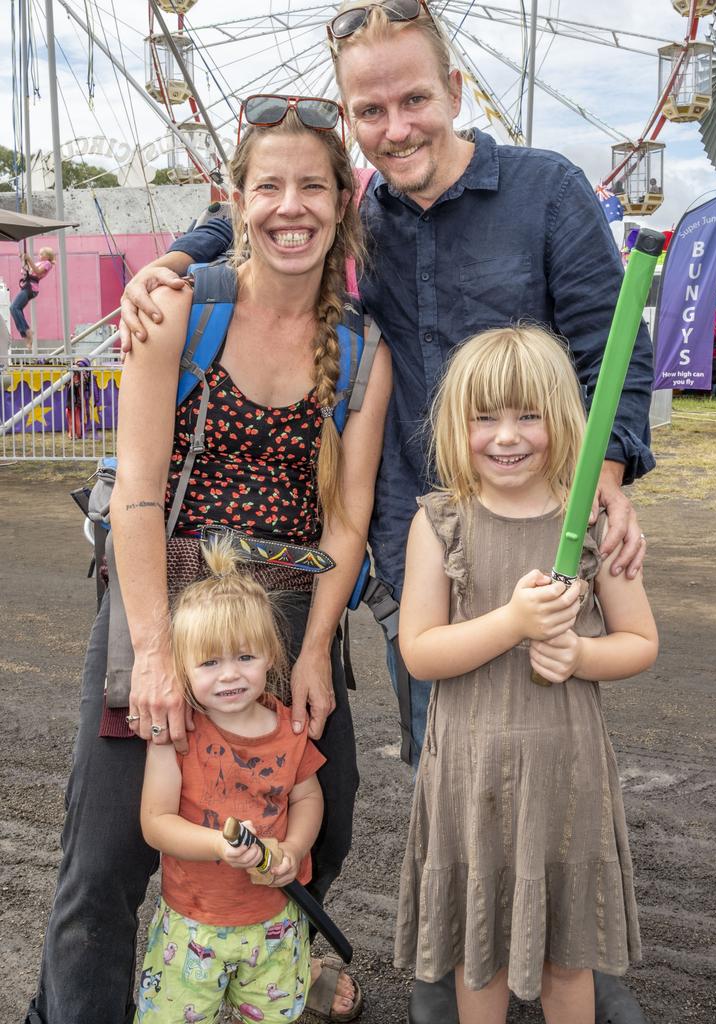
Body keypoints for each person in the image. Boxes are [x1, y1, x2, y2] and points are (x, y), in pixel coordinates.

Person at [117, 3, 656, 1019]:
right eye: (372, 108)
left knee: (551, 771)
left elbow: (605, 350)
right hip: (424, 555)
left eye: (414, 98)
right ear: (356, 122)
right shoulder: (368, 214)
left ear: (456, 92)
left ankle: (581, 977)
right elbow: (275, 207)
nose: (397, 124)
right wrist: (182, 255)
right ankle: (453, 994)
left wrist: (611, 482)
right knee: (449, 780)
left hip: (541, 544)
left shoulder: (547, 192)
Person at [25, 98, 390, 1024]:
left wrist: (313, 655)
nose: (290, 205)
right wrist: (149, 651)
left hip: (286, 612)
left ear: (344, 203)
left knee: (323, 816)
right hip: (167, 596)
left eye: (313, 185)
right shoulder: (180, 310)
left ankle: (260, 957)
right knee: (105, 856)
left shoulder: (359, 352)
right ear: (234, 199)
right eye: (268, 185)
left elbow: (346, 522)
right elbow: (140, 492)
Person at [396, 326, 658, 1024]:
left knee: (567, 959)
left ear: (562, 419)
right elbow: (419, 650)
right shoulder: (440, 523)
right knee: (475, 951)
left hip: (565, 777)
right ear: (458, 423)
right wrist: (511, 623)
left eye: (528, 415)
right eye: (485, 417)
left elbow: (639, 641)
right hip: (469, 777)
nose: (506, 436)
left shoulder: (595, 522)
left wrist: (580, 655)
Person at [135, 538, 324, 1024]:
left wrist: (297, 849)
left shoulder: (290, 730)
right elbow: (156, 823)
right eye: (209, 662)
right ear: (182, 668)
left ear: (271, 655)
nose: (229, 676)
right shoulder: (177, 738)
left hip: (275, 924)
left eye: (245, 656)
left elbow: (307, 798)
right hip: (192, 926)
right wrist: (217, 847)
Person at [11, 247, 55, 348]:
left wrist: (29, 259)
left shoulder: (47, 264)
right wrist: (23, 260)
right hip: (27, 286)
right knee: (15, 309)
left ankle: (27, 332)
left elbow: (38, 272)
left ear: (47, 256)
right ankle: (26, 334)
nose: (39, 256)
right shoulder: (38, 263)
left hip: (32, 288)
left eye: (41, 254)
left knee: (14, 307)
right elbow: (26, 272)